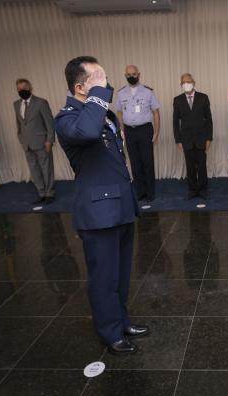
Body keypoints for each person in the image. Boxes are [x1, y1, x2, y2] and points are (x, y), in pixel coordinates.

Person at [55, 56, 148, 355]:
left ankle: (122, 321)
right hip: (98, 213)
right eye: (98, 77)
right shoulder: (67, 118)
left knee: (120, 275)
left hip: (120, 205)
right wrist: (96, 96)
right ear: (80, 87)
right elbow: (88, 133)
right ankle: (109, 333)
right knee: (104, 278)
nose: (106, 81)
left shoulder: (103, 112)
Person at [115, 65, 160, 202]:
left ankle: (150, 193)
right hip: (129, 131)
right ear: (125, 76)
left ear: (139, 75)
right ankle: (140, 192)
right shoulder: (121, 93)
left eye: (134, 74)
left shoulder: (148, 92)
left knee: (147, 162)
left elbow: (156, 113)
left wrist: (156, 132)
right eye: (128, 75)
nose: (131, 77)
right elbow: (119, 113)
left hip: (145, 130)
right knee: (135, 163)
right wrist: (122, 131)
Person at [13, 79, 56, 204]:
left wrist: (49, 140)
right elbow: (19, 124)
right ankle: (41, 193)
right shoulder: (16, 104)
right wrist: (21, 139)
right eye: (19, 89)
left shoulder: (41, 103)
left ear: (30, 88)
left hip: (42, 142)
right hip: (26, 144)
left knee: (46, 168)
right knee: (34, 170)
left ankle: (50, 193)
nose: (21, 91)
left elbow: (49, 123)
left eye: (24, 88)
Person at [173, 73, 213, 199]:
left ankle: (203, 189)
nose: (186, 84)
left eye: (188, 81)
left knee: (201, 165)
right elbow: (175, 121)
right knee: (189, 165)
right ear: (181, 85)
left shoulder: (203, 98)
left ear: (193, 82)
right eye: (183, 82)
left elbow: (209, 119)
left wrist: (209, 138)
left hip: (201, 138)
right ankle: (192, 190)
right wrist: (178, 140)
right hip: (186, 139)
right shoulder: (177, 100)